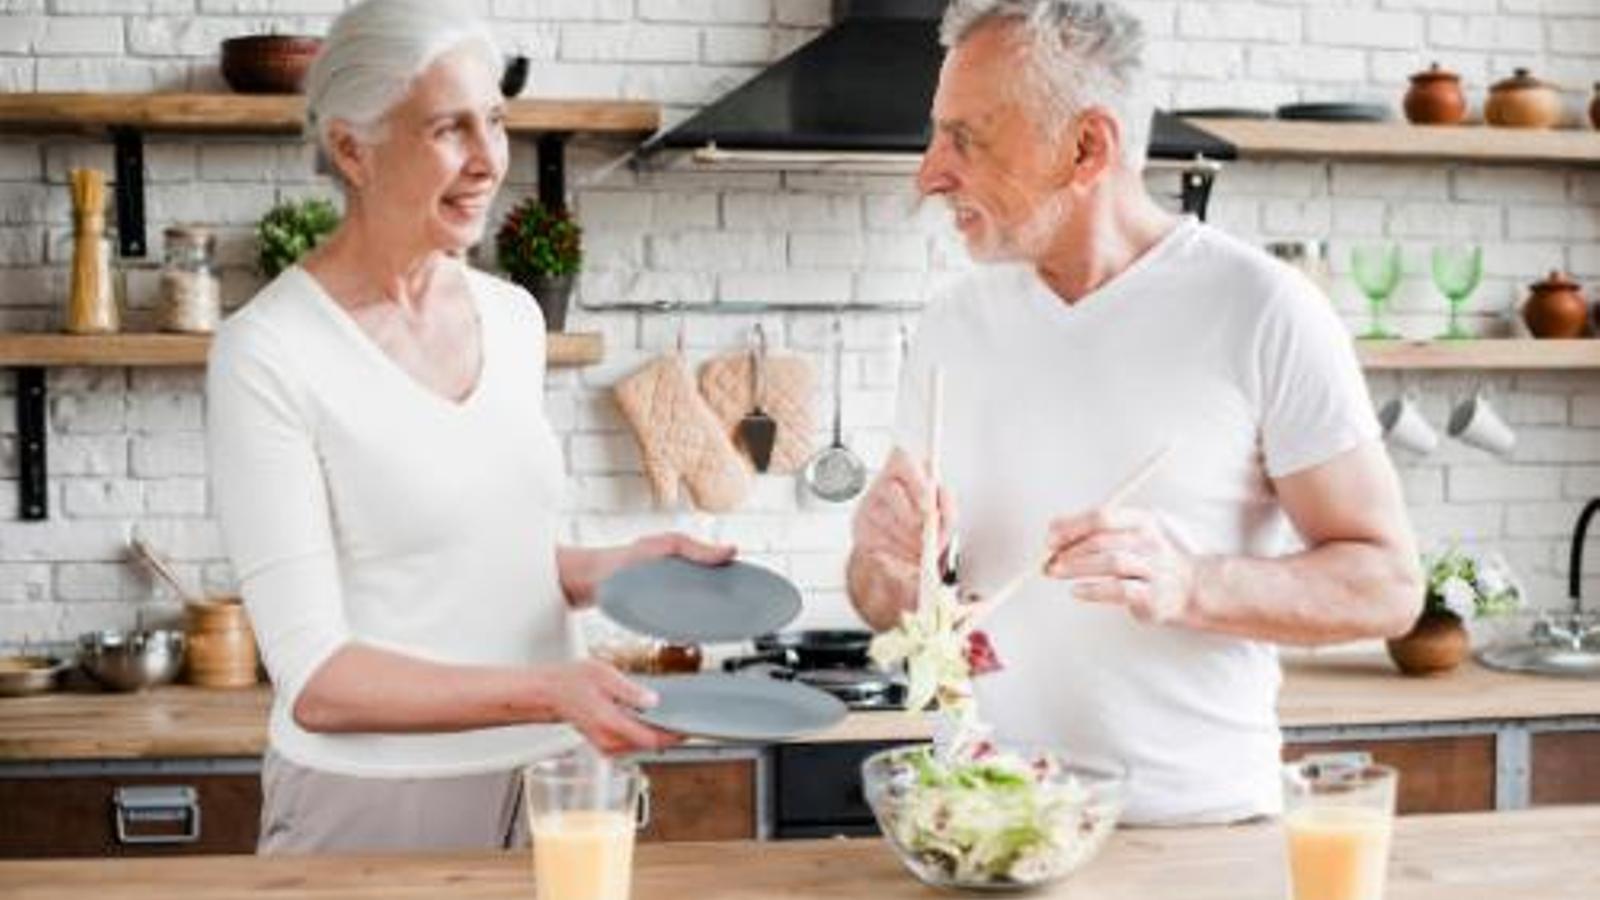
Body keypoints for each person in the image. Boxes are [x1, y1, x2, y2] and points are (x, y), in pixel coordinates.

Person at [847, 0, 1423, 825]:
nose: (929, 173)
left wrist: (1192, 584)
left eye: (965, 139)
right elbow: (882, 598)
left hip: (1200, 837)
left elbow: (1389, 586)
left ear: (1088, 147)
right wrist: (884, 565)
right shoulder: (950, 325)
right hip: (983, 827)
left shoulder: (1261, 310)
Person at [206, 0, 731, 854]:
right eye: (450, 129)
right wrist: (552, 690)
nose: (490, 161)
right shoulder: (269, 352)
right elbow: (320, 682)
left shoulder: (513, 316)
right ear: (352, 149)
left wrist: (610, 571)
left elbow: (469, 556)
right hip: (375, 803)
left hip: (551, 785)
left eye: (495, 120)